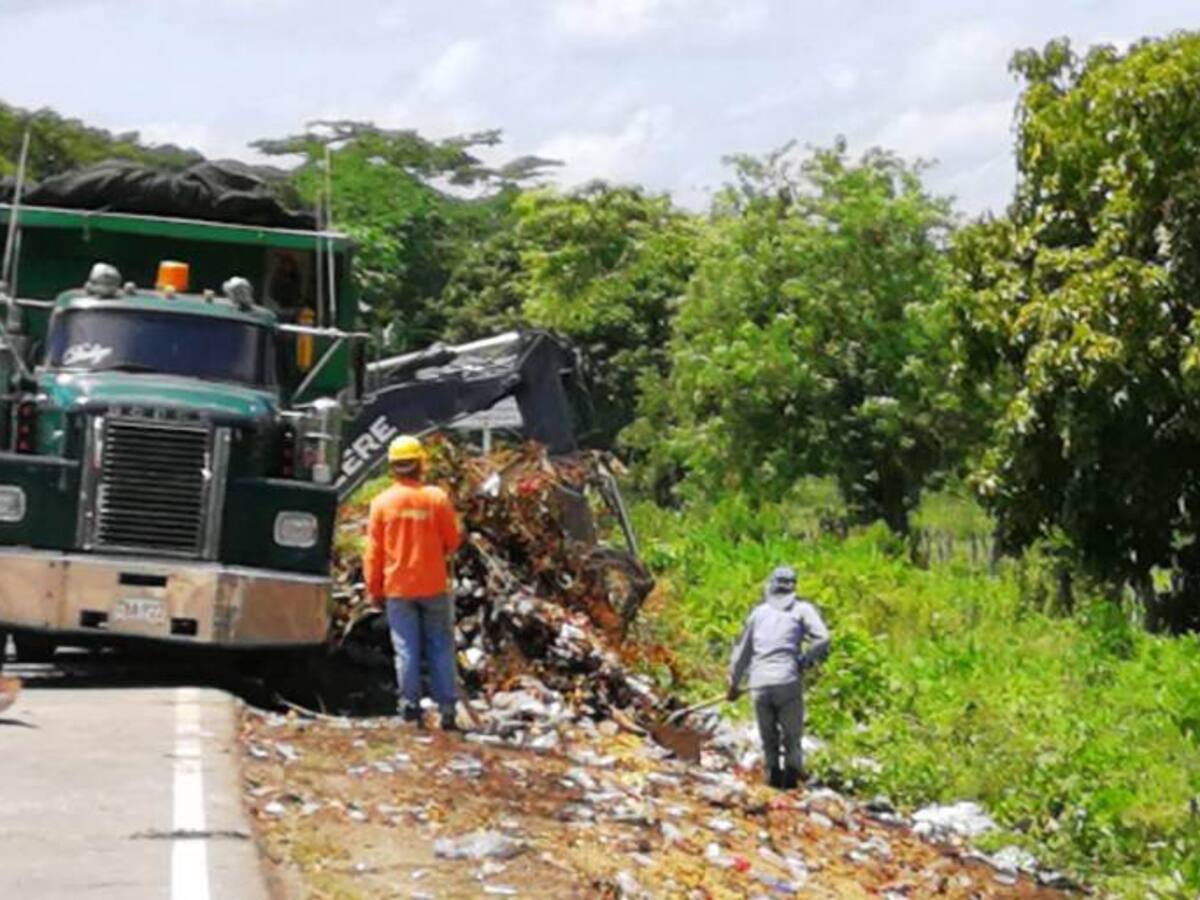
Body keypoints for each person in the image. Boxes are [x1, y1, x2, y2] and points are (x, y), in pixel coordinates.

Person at [365, 435, 463, 730]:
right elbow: (453, 541)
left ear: (392, 467)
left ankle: (410, 710)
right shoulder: (436, 498)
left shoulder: (382, 503)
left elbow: (373, 552)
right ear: (420, 463)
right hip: (434, 585)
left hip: (398, 588)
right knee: (440, 647)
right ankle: (447, 709)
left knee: (406, 649)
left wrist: (373, 589)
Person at [727, 565, 830, 789]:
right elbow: (822, 639)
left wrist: (733, 685)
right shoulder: (802, 610)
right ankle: (791, 786)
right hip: (787, 682)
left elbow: (741, 654)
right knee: (792, 739)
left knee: (769, 741)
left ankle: (773, 784)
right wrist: (803, 660)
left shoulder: (758, 614)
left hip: (759, 685)